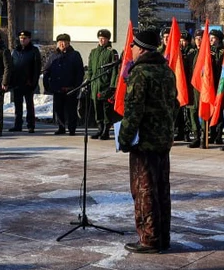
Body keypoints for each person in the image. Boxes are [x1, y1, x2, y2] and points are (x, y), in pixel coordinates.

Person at [117, 28, 177, 255]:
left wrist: (123, 139)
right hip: (163, 140)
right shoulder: (167, 71)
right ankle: (163, 237)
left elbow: (133, 112)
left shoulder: (140, 74)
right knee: (162, 189)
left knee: (144, 191)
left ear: (141, 49)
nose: (129, 50)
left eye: (132, 46)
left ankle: (149, 239)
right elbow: (174, 106)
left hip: (144, 143)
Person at [43, 33, 84, 136]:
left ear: (68, 43)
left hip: (70, 88)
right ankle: (61, 127)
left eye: (64, 42)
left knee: (71, 110)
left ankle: (72, 129)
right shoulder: (53, 55)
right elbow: (46, 71)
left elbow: (80, 72)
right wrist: (47, 85)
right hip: (57, 88)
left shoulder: (75, 55)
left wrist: (76, 86)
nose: (62, 44)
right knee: (58, 109)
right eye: (60, 42)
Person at [87, 29, 118, 140]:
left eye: (104, 39)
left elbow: (115, 70)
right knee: (97, 108)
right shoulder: (94, 52)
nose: (101, 40)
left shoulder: (111, 52)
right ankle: (99, 129)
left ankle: (106, 130)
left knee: (106, 109)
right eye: (100, 38)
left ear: (108, 39)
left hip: (105, 85)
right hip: (95, 85)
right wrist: (89, 80)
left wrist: (112, 86)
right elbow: (90, 68)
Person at [9, 30, 42, 133]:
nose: (22, 40)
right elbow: (11, 66)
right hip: (17, 82)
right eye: (21, 38)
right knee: (18, 106)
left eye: (25, 38)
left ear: (29, 39)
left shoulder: (34, 50)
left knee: (29, 105)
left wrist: (33, 82)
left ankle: (30, 125)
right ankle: (17, 125)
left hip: (28, 83)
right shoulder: (15, 51)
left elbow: (37, 68)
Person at [186, 29, 204, 148]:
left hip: (203, 88)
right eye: (197, 39)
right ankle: (196, 136)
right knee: (192, 112)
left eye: (201, 38)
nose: (198, 41)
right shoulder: (191, 54)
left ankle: (204, 136)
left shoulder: (208, 54)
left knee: (203, 112)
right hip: (192, 87)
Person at [207, 29, 224, 146]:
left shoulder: (223, 52)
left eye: (213, 39)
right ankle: (211, 133)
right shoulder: (207, 51)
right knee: (210, 110)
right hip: (210, 85)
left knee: (219, 110)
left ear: (218, 40)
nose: (211, 41)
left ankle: (219, 135)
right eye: (210, 39)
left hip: (220, 84)